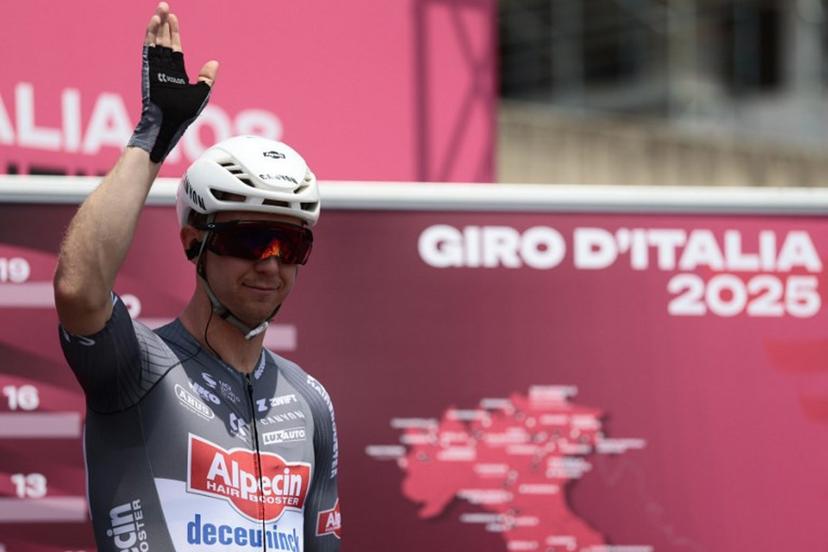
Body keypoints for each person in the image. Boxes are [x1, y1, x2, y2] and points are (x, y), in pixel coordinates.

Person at [52, 3, 340, 551]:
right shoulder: (138, 370)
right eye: (249, 239)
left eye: (292, 245)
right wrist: (154, 134)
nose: (270, 263)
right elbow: (79, 288)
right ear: (193, 243)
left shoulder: (310, 401)